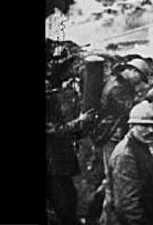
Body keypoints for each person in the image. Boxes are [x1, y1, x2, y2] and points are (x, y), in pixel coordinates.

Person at [88, 58, 152, 224]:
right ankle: (98, 216)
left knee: (111, 178)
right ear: (132, 71)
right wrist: (148, 99)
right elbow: (129, 110)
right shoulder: (118, 88)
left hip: (112, 133)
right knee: (112, 179)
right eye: (140, 78)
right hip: (112, 136)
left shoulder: (120, 83)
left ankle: (96, 214)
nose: (140, 83)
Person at [102, 101, 153, 225]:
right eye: (144, 126)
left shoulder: (139, 146)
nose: (151, 130)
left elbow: (152, 161)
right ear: (132, 127)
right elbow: (128, 207)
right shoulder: (125, 156)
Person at [46, 85, 96, 225]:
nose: (53, 99)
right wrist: (80, 121)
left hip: (59, 163)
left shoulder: (52, 107)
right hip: (52, 167)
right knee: (62, 205)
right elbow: (55, 131)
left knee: (70, 198)